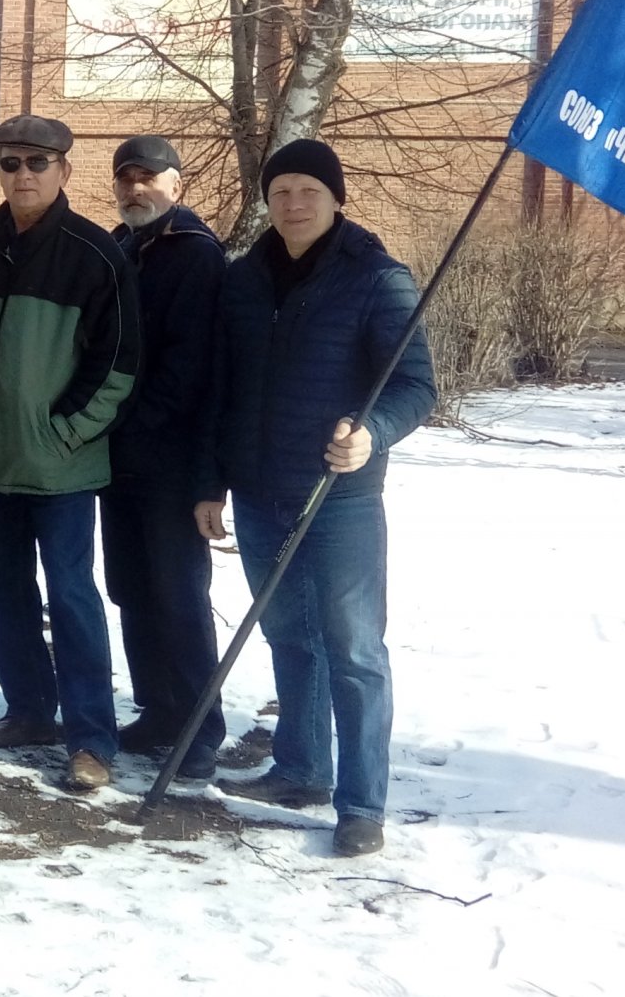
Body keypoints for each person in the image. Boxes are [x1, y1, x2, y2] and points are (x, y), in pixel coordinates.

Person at [194, 138, 436, 858]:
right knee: (289, 635)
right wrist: (210, 482)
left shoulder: (377, 279)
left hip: (341, 497)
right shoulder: (243, 281)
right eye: (282, 192)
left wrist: (373, 433)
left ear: (336, 198)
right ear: (267, 202)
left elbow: (416, 386)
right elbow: (220, 389)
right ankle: (301, 769)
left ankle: (362, 805)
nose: (294, 204)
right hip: (261, 492)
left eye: (308, 190)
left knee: (355, 650)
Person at [0, 114, 140, 793]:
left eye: (38, 163)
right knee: (3, 593)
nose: (24, 175)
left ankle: (92, 739)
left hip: (62, 468)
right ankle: (30, 710)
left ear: (65, 171)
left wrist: (67, 431)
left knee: (71, 598)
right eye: (11, 163)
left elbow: (120, 363)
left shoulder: (97, 255)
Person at [98, 136, 227, 781]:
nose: (135, 189)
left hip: (171, 460)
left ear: (178, 182)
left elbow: (190, 370)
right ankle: (157, 709)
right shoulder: (124, 246)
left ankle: (201, 727)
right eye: (126, 179)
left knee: (178, 593)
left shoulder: (195, 255)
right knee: (131, 589)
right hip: (118, 458)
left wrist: (121, 424)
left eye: (148, 177)